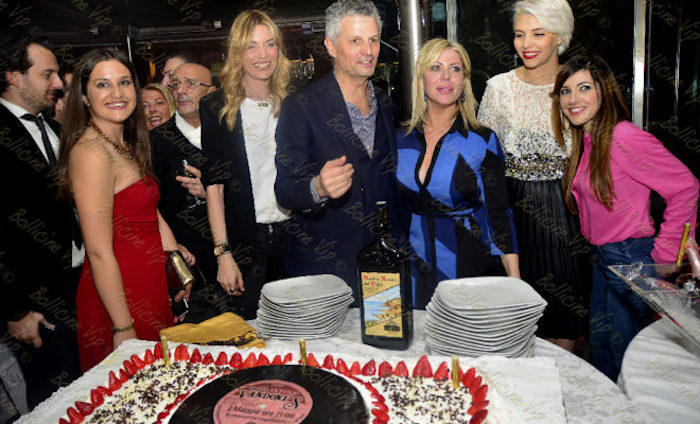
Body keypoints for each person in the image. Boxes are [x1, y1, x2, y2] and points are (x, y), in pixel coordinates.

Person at [552, 55, 699, 380]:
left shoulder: (623, 137)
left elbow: (686, 186)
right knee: (603, 350)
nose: (573, 99)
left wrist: (667, 251)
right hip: (604, 259)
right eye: (565, 91)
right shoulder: (589, 140)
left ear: (603, 91)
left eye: (584, 88)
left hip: (632, 258)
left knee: (629, 360)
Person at [58, 48, 192, 372]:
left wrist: (177, 271)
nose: (117, 93)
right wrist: (122, 326)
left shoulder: (126, 144)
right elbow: (98, 251)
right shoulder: (91, 152)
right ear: (84, 97)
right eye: (103, 85)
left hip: (149, 283)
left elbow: (151, 214)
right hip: (119, 296)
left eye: (124, 82)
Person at [477, 0, 588, 352]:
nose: (526, 44)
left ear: (560, 37)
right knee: (509, 323)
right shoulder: (499, 88)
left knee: (562, 326)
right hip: (510, 214)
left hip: (565, 216)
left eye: (538, 34)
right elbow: (483, 160)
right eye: (519, 34)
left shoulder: (579, 86)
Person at [274, 0, 400, 301]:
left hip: (382, 267)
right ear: (331, 46)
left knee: (383, 333)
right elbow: (285, 190)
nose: (368, 51)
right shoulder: (300, 106)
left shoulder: (386, 103)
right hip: (324, 269)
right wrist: (317, 187)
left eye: (373, 40)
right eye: (355, 41)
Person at [396, 38, 519, 309]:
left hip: (469, 267)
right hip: (413, 268)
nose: (446, 77)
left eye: (455, 69)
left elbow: (499, 214)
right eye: (436, 67)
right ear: (421, 78)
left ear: (464, 80)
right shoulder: (400, 140)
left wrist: (515, 283)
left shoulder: (482, 140)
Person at [0, 37, 82, 408]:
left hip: (77, 284)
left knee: (89, 388)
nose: (58, 83)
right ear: (13, 77)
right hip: (33, 303)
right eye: (47, 74)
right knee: (54, 402)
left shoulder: (52, 127)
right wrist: (15, 311)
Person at [202, 9, 291, 319]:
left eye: (270, 44)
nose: (262, 55)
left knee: (297, 330)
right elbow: (214, 187)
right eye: (251, 46)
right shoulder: (216, 107)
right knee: (249, 331)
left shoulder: (294, 102)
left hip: (294, 237)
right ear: (237, 53)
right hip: (245, 242)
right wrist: (223, 254)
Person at [151, 63, 218, 322]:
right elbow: (148, 206)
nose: (181, 90)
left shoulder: (229, 133)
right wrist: (171, 250)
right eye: (176, 84)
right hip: (187, 259)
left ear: (211, 92)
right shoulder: (156, 141)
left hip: (234, 253)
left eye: (191, 84)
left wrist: (212, 192)